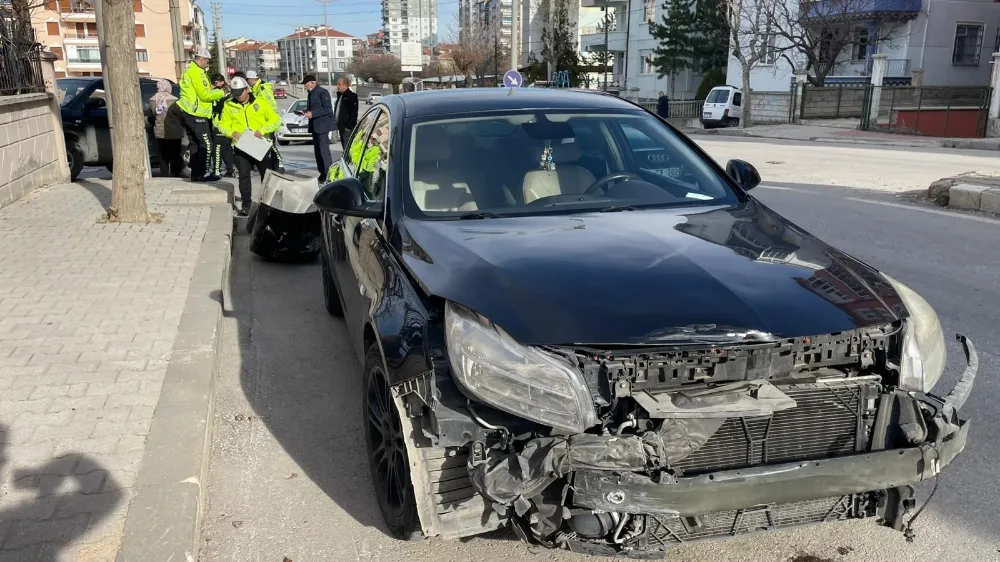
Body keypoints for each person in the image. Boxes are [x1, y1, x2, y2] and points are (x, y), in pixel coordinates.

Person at [216, 76, 281, 216]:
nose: (238, 96)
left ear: (247, 90)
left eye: (240, 93)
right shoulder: (229, 105)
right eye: (235, 93)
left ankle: (267, 205)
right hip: (241, 147)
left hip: (260, 147)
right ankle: (246, 205)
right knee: (244, 176)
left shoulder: (261, 102)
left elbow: (276, 120)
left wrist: (263, 130)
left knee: (267, 177)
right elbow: (222, 124)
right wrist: (230, 132)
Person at [177, 46, 226, 182]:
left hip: (189, 113)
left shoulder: (190, 71)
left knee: (195, 145)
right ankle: (203, 172)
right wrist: (221, 92)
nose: (208, 64)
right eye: (207, 61)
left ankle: (196, 174)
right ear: (202, 59)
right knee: (206, 144)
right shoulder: (197, 73)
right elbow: (204, 95)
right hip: (197, 114)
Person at [247, 70, 285, 173]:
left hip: (268, 120)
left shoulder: (262, 88)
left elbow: (271, 103)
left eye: (248, 80)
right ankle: (270, 164)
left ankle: (279, 164)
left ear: (252, 79)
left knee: (271, 144)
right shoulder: (255, 88)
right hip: (261, 120)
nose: (248, 82)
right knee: (264, 144)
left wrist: (269, 118)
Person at [148, 79, 185, 177]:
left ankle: (164, 174)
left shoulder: (153, 100)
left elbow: (151, 115)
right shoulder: (175, 100)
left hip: (159, 131)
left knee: (162, 155)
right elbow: (180, 116)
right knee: (175, 154)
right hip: (174, 131)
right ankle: (175, 174)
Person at [302, 74, 334, 182]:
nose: (305, 86)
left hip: (322, 127)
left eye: (306, 84)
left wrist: (313, 114)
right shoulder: (310, 93)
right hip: (314, 127)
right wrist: (305, 112)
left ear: (313, 82)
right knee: (318, 152)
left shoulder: (322, 92)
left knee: (324, 151)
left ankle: (329, 174)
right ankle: (322, 172)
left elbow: (327, 108)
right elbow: (312, 108)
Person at [210, 73, 236, 178]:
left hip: (219, 123)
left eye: (216, 82)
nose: (214, 84)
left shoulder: (219, 92)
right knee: (227, 148)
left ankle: (216, 171)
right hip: (228, 124)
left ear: (222, 82)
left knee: (217, 148)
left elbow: (217, 107)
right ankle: (230, 170)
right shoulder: (230, 91)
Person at [333, 75, 359, 152]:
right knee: (345, 149)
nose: (337, 86)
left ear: (345, 85)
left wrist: (348, 127)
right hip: (341, 128)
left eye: (339, 84)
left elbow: (354, 114)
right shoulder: (340, 96)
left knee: (348, 150)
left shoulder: (351, 96)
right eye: (337, 84)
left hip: (347, 129)